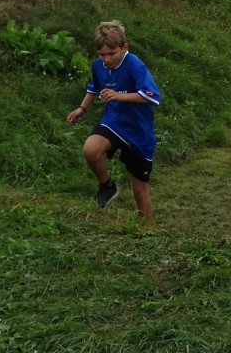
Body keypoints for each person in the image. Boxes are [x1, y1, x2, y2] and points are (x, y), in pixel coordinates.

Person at [66, 20, 161, 223]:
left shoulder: (135, 64)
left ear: (124, 48)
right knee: (90, 150)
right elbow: (95, 86)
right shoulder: (98, 66)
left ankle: (147, 231)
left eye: (111, 54)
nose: (106, 59)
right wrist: (81, 109)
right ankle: (107, 186)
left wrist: (120, 96)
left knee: (139, 189)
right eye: (102, 55)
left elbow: (152, 96)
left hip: (138, 132)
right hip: (113, 122)